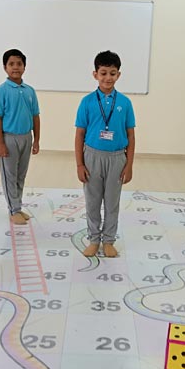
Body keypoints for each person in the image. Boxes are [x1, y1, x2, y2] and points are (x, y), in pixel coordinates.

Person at [74, 50, 136, 258]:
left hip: (117, 158)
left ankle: (108, 240)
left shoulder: (125, 103)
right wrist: (80, 164)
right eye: (103, 73)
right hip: (92, 157)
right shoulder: (87, 102)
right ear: (95, 74)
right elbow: (79, 134)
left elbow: (131, 135)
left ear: (118, 75)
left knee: (112, 202)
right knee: (92, 202)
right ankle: (94, 239)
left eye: (112, 73)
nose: (107, 78)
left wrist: (129, 165)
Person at [0, 49, 40, 225]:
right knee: (9, 176)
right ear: (5, 67)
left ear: (24, 67)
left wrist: (36, 140)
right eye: (11, 64)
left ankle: (17, 207)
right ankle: (13, 210)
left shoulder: (30, 91)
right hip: (9, 138)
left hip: (26, 137)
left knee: (21, 175)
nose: (15, 67)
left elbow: (35, 116)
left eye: (19, 64)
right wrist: (0, 143)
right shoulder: (1, 91)